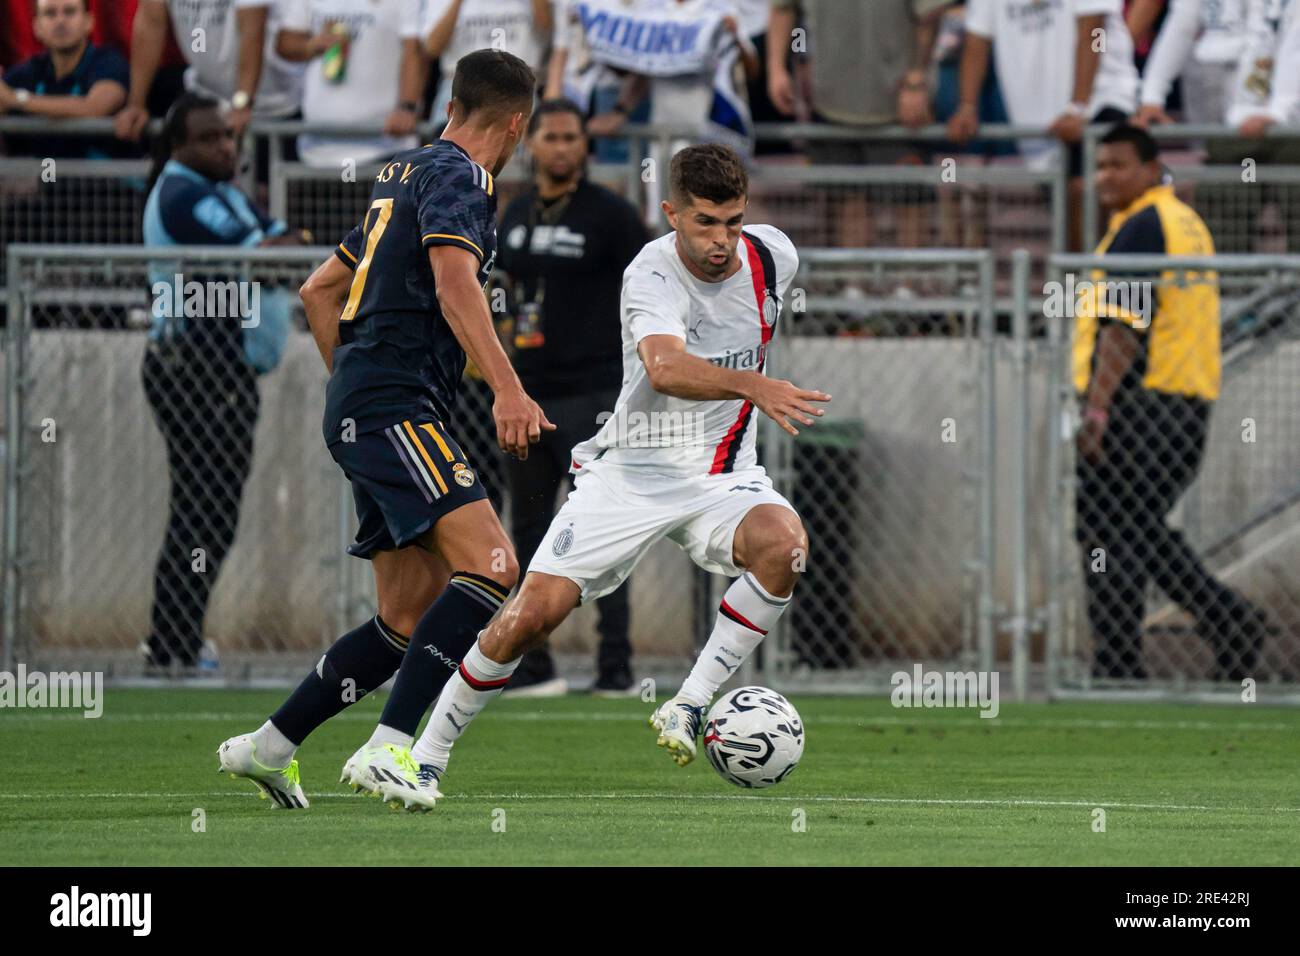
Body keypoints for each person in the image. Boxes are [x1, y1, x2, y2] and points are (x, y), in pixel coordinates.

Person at [361, 143, 831, 812]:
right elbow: (665, 369)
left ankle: (690, 707)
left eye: (732, 221)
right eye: (704, 222)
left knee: (784, 545)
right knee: (530, 616)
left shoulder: (775, 257)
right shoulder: (651, 273)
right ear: (670, 214)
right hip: (630, 475)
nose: (721, 240)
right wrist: (753, 385)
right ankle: (423, 759)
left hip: (723, 474)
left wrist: (748, 394)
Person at [217, 49, 545, 810]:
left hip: (371, 402)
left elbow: (319, 289)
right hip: (396, 404)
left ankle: (268, 748)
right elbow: (455, 282)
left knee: (405, 614)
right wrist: (507, 388)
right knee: (493, 565)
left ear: (453, 104)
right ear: (517, 124)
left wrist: (351, 390)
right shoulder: (465, 179)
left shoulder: (402, 171)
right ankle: (390, 750)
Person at [1073, 123, 1269, 681]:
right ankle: (1228, 622)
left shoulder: (1143, 226)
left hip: (1140, 406)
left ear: (1151, 166)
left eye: (1117, 165)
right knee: (1135, 528)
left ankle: (1120, 665)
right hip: (1183, 404)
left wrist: (1097, 408)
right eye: (1100, 166)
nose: (1105, 177)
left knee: (1106, 530)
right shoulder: (1184, 222)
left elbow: (1124, 326)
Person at [141, 93, 308, 675]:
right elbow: (265, 253)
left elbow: (283, 235)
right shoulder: (184, 193)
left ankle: (176, 643)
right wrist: (275, 248)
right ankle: (172, 645)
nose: (226, 146)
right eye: (211, 138)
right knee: (199, 507)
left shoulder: (222, 191)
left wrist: (279, 245)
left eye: (228, 136)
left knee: (213, 509)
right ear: (179, 145)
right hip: (195, 368)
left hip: (224, 370)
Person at [495, 98, 648, 696]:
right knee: (528, 530)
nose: (562, 147)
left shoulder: (610, 216)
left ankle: (615, 671)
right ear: (531, 143)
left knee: (605, 533)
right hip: (527, 396)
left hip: (595, 394)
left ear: (586, 146)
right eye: (551, 136)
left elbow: (647, 288)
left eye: (572, 137)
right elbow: (499, 286)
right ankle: (535, 669)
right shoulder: (514, 213)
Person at [947, 0, 1140, 250]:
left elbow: (1095, 31)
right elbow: (976, 40)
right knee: (1068, 211)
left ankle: (1092, 279)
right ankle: (1085, 279)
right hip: (1039, 121)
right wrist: (967, 105)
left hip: (1102, 99)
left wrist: (1078, 106)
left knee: (1086, 191)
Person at [767, 0, 948, 248]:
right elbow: (783, 8)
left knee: (909, 201)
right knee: (847, 202)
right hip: (829, 103)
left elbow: (930, 14)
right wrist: (777, 69)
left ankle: (909, 282)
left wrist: (916, 78)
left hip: (898, 105)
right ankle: (853, 283)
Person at [114, 0, 303, 143]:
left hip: (275, 106)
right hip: (206, 98)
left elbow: (252, 32)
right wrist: (136, 104)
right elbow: (151, 25)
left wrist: (242, 102)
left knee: (269, 190)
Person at [275, 0, 426, 168]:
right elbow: (285, 43)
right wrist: (311, 46)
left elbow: (415, 52)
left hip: (384, 150)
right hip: (316, 151)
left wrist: (407, 108)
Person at [0, 0, 128, 158]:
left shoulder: (109, 61)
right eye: (50, 13)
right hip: (46, 178)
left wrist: (17, 99)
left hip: (105, 180)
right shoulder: (30, 69)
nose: (60, 21)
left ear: (89, 22)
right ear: (36, 27)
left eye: (69, 11)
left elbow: (96, 107)